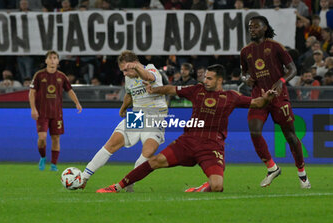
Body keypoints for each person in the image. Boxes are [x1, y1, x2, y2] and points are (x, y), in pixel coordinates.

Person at [95, 64, 277, 193]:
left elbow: (257, 103)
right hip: (188, 142)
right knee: (154, 161)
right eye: (205, 77)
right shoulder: (196, 90)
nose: (205, 80)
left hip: (212, 147)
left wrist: (267, 98)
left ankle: (203, 187)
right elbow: (171, 89)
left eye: (209, 78)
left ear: (219, 80)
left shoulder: (231, 97)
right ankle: (117, 186)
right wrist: (153, 90)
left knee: (217, 187)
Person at [80, 50, 167, 192]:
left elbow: (148, 77)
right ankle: (83, 178)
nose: (124, 74)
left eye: (126, 69)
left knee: (148, 152)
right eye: (122, 71)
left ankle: (129, 182)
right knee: (112, 144)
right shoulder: (129, 77)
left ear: (135, 64)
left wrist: (137, 68)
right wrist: (123, 108)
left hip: (155, 116)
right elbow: (129, 94)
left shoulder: (150, 68)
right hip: (137, 116)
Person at [240, 15, 311, 188]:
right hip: (259, 98)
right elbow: (243, 72)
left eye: (256, 27)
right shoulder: (245, 51)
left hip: (279, 97)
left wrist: (281, 81)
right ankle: (272, 168)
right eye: (250, 27)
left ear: (265, 28)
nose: (252, 30)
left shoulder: (275, 47)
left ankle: (302, 175)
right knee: (254, 131)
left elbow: (293, 69)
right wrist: (247, 78)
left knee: (290, 136)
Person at [29, 50, 82, 171]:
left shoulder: (62, 76)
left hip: (57, 113)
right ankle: (43, 157)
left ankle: (53, 164)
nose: (52, 60)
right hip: (42, 113)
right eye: (50, 58)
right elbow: (32, 93)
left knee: (56, 138)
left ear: (58, 61)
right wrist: (33, 109)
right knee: (42, 138)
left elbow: (69, 90)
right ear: (46, 60)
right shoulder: (39, 75)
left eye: (55, 58)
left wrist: (77, 103)